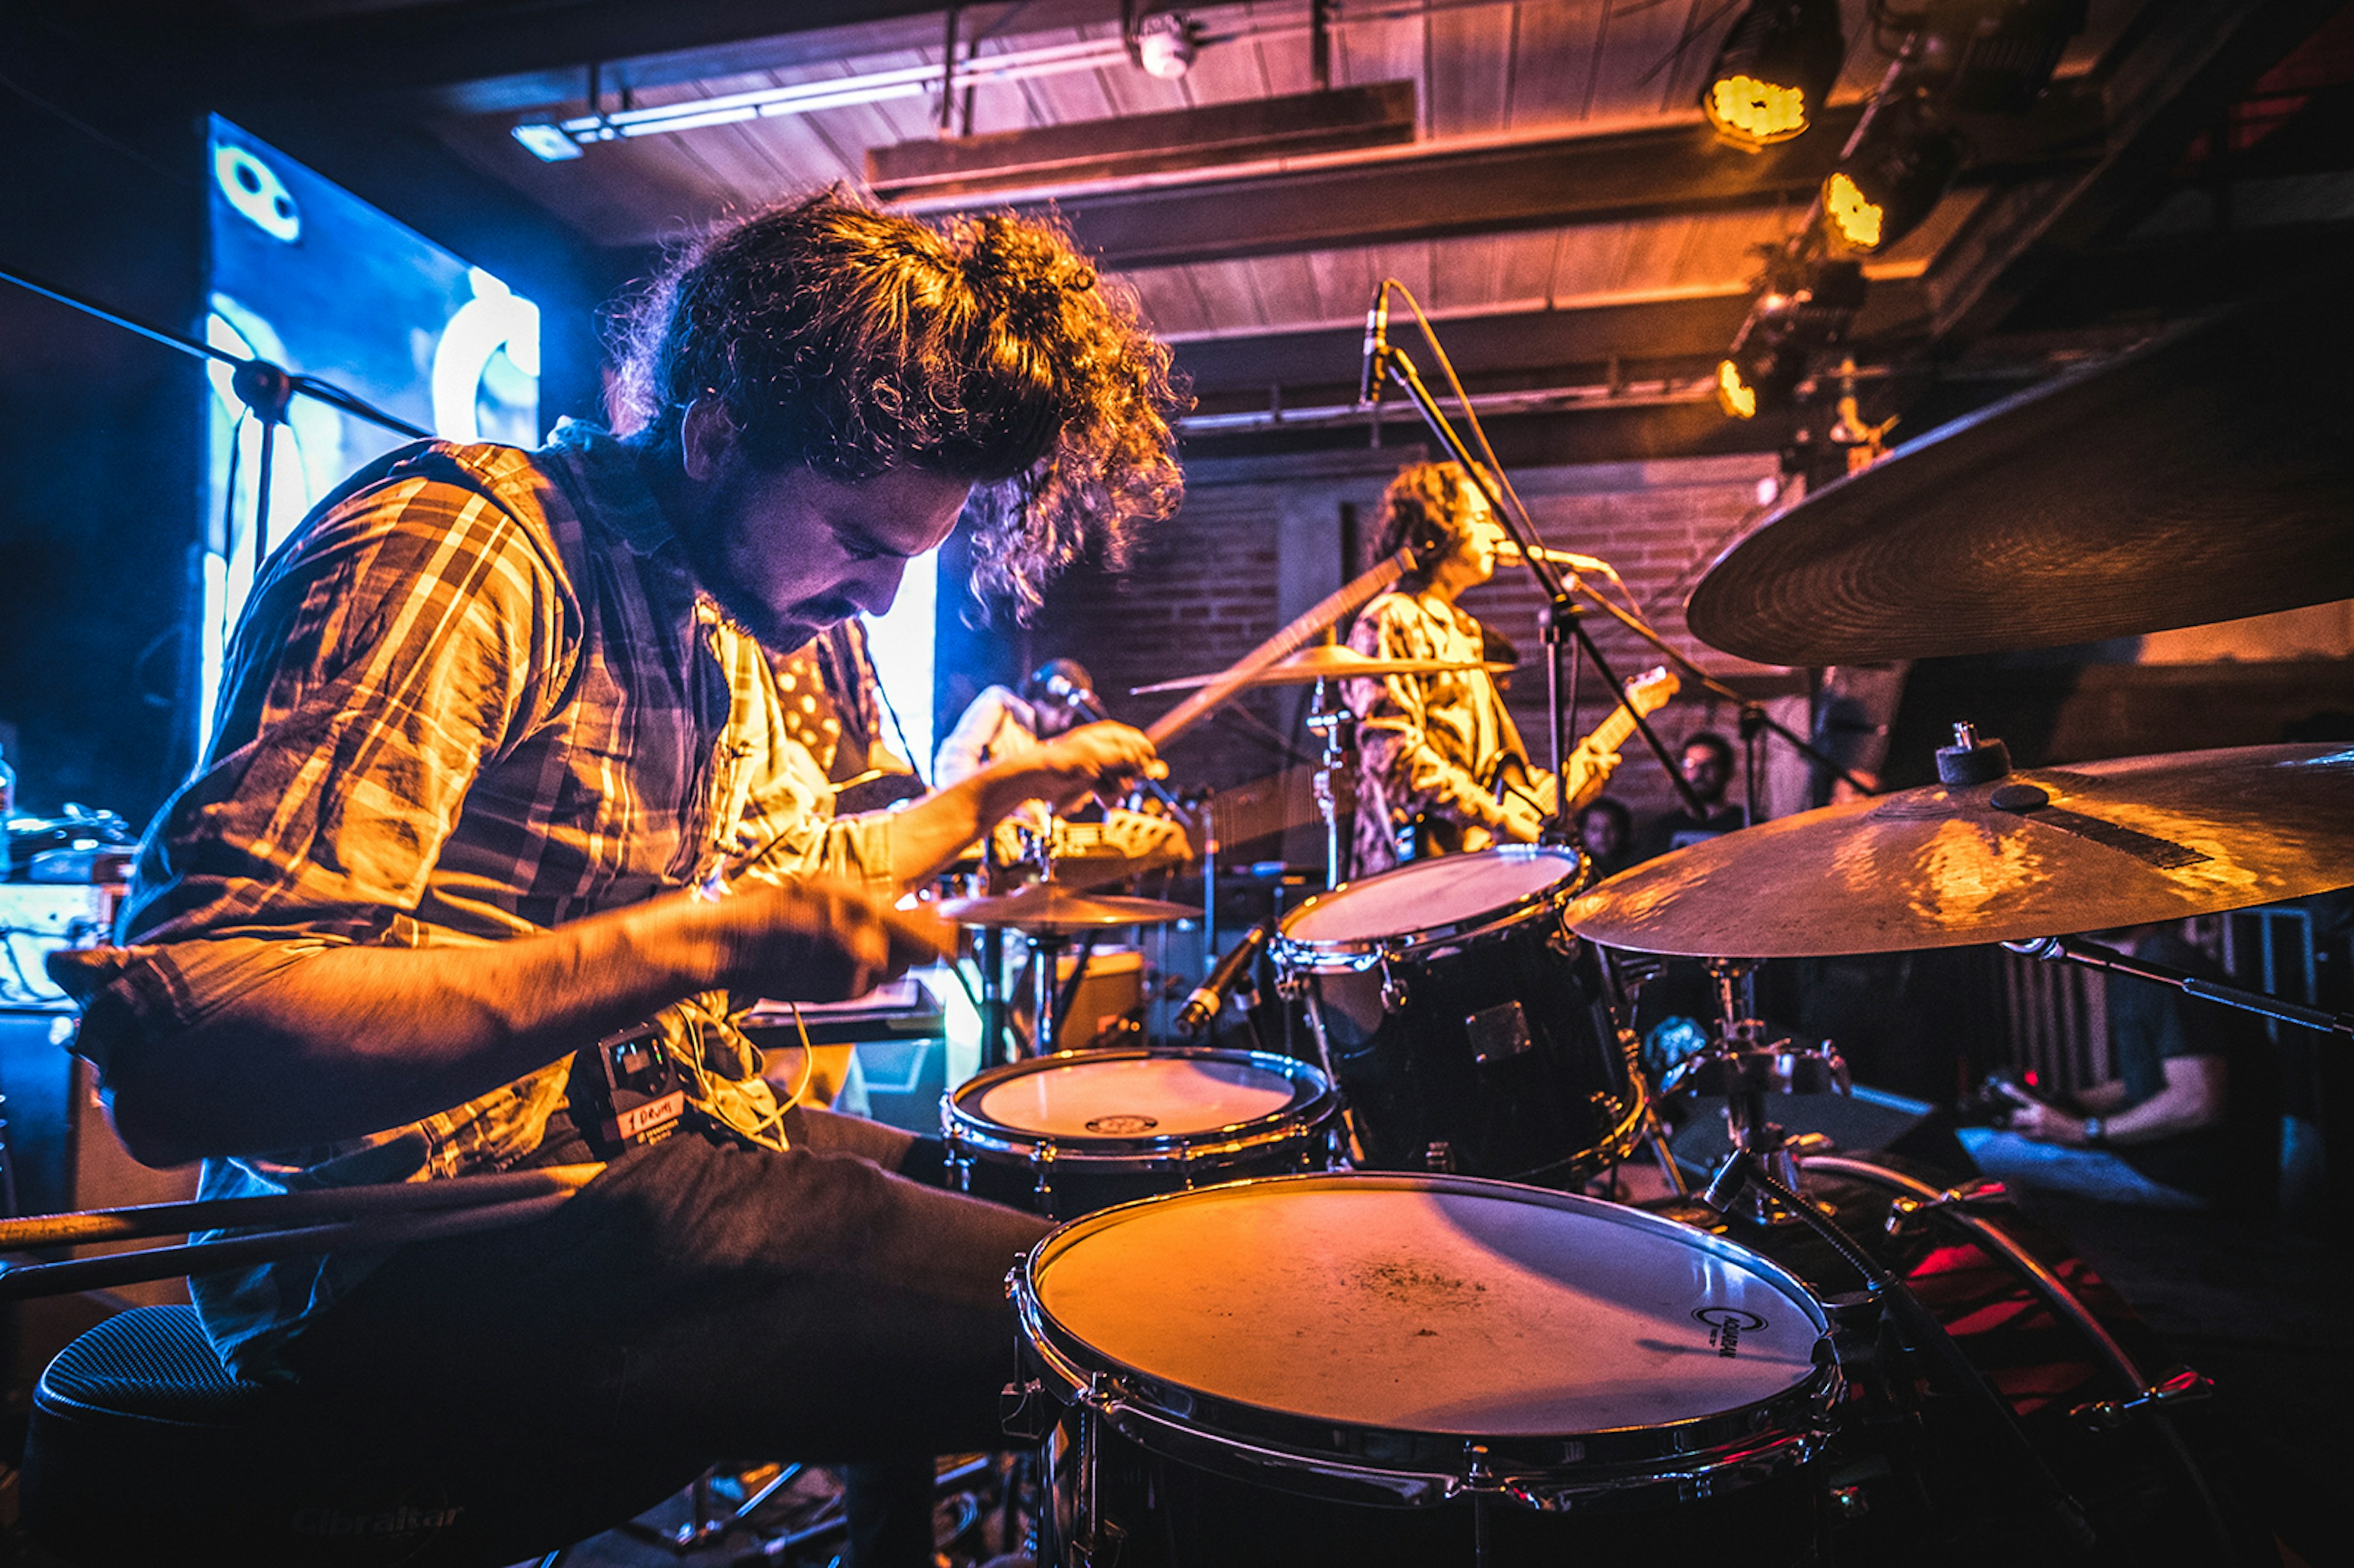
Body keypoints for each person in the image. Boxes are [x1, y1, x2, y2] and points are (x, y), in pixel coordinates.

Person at [49, 191, 1184, 1564]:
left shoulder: (717, 626)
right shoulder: (475, 549)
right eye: (862, 543)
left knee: (1083, 1213)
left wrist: (1001, 795)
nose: (881, 600)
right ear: (712, 435)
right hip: (398, 1253)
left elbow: (804, 878)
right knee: (1131, 1325)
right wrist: (699, 946)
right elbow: (195, 1048)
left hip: (651, 1149)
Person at [1345, 462, 1621, 878]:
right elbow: (1394, 758)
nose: (1496, 532)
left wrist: (1566, 789)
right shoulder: (1389, 620)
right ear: (1434, 532)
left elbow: (1489, 768)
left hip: (1468, 867)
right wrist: (1493, 818)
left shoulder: (1464, 631)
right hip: (1411, 872)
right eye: (1480, 518)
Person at [1961, 924, 2252, 1209]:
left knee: (1976, 1148)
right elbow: (2147, 1079)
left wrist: (2081, 1131)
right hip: (2152, 1160)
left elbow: (2197, 1102)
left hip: (2182, 1178)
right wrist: (2063, 1105)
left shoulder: (2164, 967)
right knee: (1984, 1140)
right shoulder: (2134, 963)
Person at [1632, 731, 1746, 862]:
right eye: (1691, 764)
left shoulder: (1748, 824)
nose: (1699, 772)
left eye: (1709, 764)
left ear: (1727, 771)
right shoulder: (1662, 829)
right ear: (1683, 771)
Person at [1576, 797, 1635, 882]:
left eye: (1609, 829)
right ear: (1582, 832)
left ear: (1621, 830)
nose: (1602, 836)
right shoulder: (1579, 867)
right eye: (1594, 829)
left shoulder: (1634, 863)